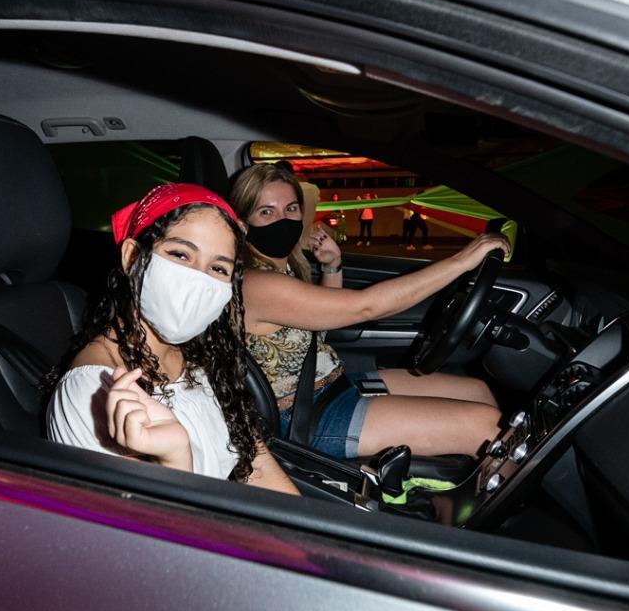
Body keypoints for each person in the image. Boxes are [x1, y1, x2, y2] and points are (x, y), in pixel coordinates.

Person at [230, 163, 509, 460]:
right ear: (243, 225)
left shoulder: (281, 268)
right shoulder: (255, 283)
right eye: (267, 212)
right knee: (487, 426)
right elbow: (367, 306)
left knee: (477, 391)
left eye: (291, 208)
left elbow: (316, 328)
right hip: (305, 417)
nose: (283, 220)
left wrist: (332, 267)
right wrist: (462, 261)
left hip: (333, 386)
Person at [47, 183, 298, 495]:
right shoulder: (93, 391)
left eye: (218, 268)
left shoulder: (203, 357)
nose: (199, 279)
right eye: (180, 254)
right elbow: (145, 523)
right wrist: (175, 460)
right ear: (132, 257)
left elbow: (257, 467)